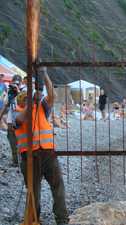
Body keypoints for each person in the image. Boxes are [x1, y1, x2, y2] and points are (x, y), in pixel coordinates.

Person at [14, 68, 69, 224]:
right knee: (34, 192)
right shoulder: (18, 111)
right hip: (30, 157)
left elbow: (53, 95)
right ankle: (33, 219)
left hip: (48, 153)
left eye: (28, 97)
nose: (26, 99)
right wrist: (32, 103)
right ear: (20, 100)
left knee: (58, 187)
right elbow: (21, 119)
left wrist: (45, 75)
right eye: (24, 97)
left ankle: (62, 219)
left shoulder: (42, 107)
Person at [6, 74, 23, 166]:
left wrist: (18, 92)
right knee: (12, 141)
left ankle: (22, 161)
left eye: (17, 83)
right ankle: (15, 161)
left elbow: (24, 103)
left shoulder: (24, 92)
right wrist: (11, 95)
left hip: (20, 120)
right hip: (10, 120)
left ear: (21, 83)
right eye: (14, 82)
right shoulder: (10, 92)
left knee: (21, 142)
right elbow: (6, 105)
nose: (16, 84)